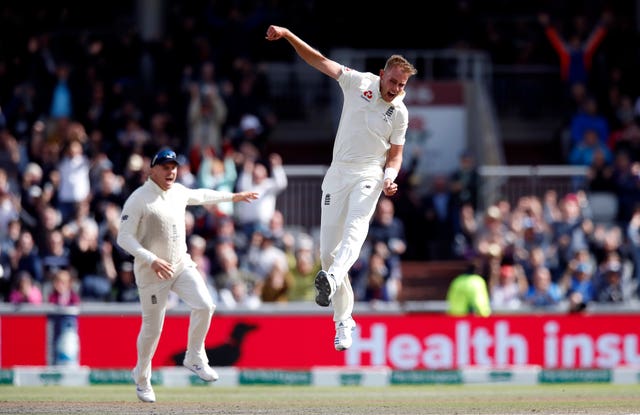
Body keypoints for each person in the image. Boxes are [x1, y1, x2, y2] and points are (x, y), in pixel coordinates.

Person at [266, 25, 417, 351]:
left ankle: (333, 280)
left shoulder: (400, 113)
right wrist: (290, 35)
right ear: (381, 74)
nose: (395, 89)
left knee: (355, 228)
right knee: (328, 255)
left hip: (369, 173)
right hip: (338, 173)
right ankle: (344, 319)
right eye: (392, 81)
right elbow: (319, 60)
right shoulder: (357, 81)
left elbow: (396, 156)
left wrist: (390, 177)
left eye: (401, 85)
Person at [116, 148, 258, 403]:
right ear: (152, 170)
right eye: (165, 167)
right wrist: (151, 259)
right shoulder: (139, 199)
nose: (171, 171)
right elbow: (123, 237)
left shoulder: (179, 191)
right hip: (151, 272)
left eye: (174, 167)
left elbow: (201, 194)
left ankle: (194, 356)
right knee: (152, 329)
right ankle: (142, 376)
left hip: (180, 265)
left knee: (205, 305)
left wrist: (233, 196)